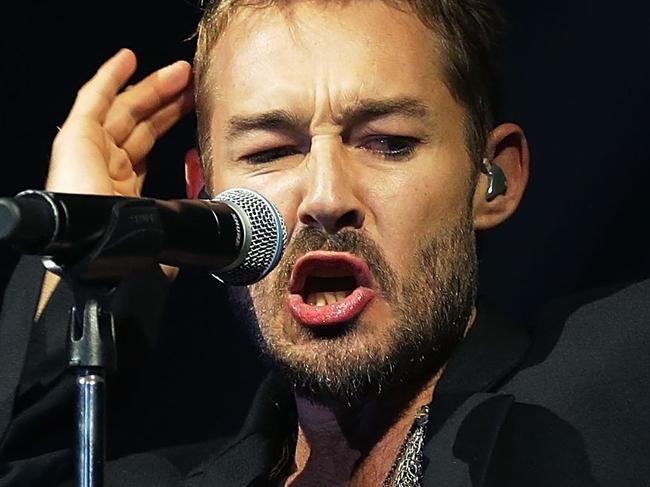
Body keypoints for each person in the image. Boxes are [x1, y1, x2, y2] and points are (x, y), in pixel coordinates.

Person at [0, 0, 649, 486]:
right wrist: (76, 267)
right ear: (203, 199)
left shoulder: (619, 379)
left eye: (389, 141)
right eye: (271, 151)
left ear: (493, 177)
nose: (325, 196)